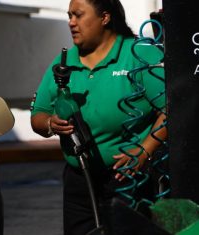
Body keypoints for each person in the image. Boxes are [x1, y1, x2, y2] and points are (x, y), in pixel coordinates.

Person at [30, 0, 167, 234]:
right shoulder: (64, 62)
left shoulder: (139, 54)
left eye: (79, 15)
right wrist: (50, 123)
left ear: (105, 18)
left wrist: (145, 150)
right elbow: (38, 116)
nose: (71, 22)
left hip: (130, 177)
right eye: (69, 16)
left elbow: (171, 109)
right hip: (79, 179)